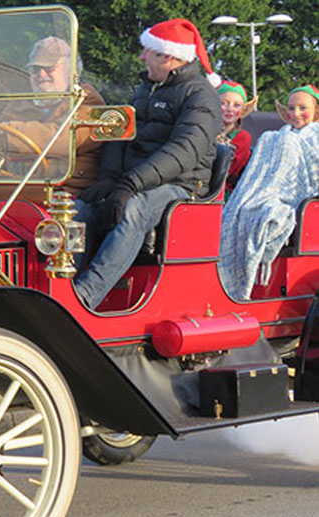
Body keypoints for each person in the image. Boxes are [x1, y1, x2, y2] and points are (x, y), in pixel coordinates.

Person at [73, 18, 222, 310]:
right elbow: (120, 135)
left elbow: (184, 152)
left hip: (181, 184)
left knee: (133, 210)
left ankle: (85, 296)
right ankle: (62, 286)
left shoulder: (201, 96)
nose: (141, 57)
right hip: (138, 180)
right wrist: (108, 179)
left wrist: (129, 184)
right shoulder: (145, 89)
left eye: (147, 52)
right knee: (81, 207)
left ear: (167, 56)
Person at [219, 84, 319, 300]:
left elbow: (309, 177)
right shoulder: (275, 137)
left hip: (302, 202)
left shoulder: (315, 138)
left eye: (303, 108)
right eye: (291, 108)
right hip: (267, 193)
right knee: (242, 210)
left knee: (268, 212)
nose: (296, 114)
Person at [0, 36, 105, 195]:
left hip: (67, 193)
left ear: (70, 71)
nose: (40, 74)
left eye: (49, 68)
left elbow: (62, 138)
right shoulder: (19, 103)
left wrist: (5, 133)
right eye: (35, 69)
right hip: (20, 190)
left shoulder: (87, 99)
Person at [217, 80, 255, 200]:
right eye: (224, 103)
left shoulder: (242, 137)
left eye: (236, 105)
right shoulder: (205, 131)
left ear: (243, 109)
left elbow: (227, 171)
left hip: (225, 193)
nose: (230, 109)